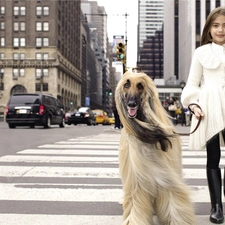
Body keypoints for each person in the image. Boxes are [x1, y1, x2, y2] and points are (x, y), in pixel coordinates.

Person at [181, 7, 225, 224]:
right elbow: (191, 85)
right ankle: (217, 206)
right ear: (209, 29)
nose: (220, 29)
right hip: (210, 107)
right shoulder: (201, 53)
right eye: (216, 25)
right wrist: (194, 104)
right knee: (213, 158)